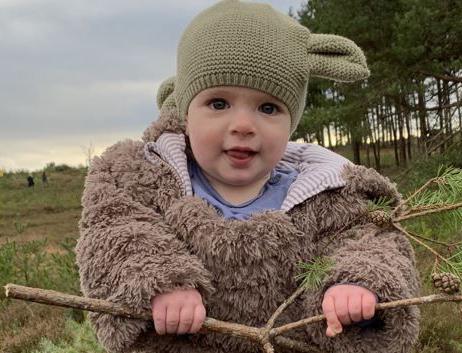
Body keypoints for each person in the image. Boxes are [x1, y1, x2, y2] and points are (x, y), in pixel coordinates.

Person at [75, 1, 420, 353]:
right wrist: (161, 280)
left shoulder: (328, 192)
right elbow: (115, 232)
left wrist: (356, 283)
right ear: (185, 111)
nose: (243, 125)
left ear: (292, 123)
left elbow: (374, 242)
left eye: (268, 108)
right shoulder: (142, 178)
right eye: (219, 104)